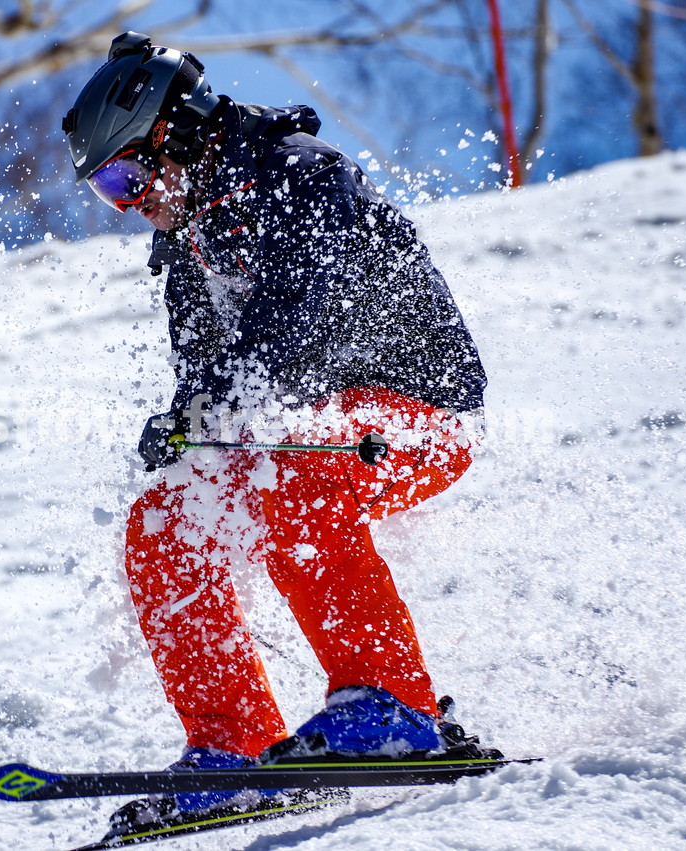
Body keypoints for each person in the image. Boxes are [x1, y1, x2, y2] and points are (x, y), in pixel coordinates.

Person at [63, 32, 493, 830]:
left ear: (175, 128)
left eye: (126, 175)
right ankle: (232, 744)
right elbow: (209, 380)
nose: (130, 203)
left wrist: (214, 408)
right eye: (109, 193)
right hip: (303, 435)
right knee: (162, 521)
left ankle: (394, 704)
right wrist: (186, 428)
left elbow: (298, 324)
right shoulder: (187, 243)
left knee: (286, 465)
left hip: (419, 416)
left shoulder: (302, 174)